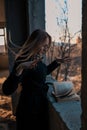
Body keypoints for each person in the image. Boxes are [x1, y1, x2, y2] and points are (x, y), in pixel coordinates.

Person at [2, 29, 70, 130]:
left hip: (39, 105)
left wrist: (56, 62)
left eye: (47, 46)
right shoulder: (23, 60)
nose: (46, 49)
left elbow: (42, 72)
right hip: (29, 109)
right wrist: (20, 68)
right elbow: (7, 90)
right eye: (44, 45)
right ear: (35, 43)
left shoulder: (36, 58)